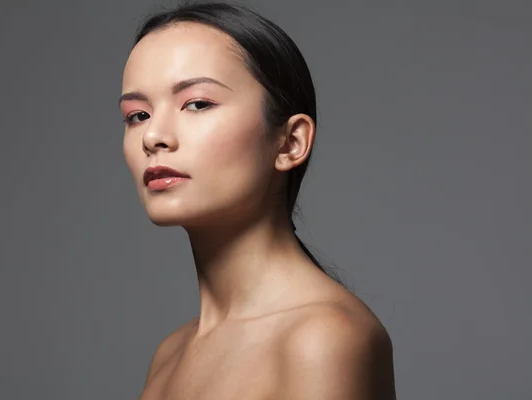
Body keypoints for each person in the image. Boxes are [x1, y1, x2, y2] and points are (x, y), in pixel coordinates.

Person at [120, 2, 396, 399]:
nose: (153, 137)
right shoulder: (169, 354)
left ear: (290, 142)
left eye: (197, 103)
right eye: (137, 115)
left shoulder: (323, 339)